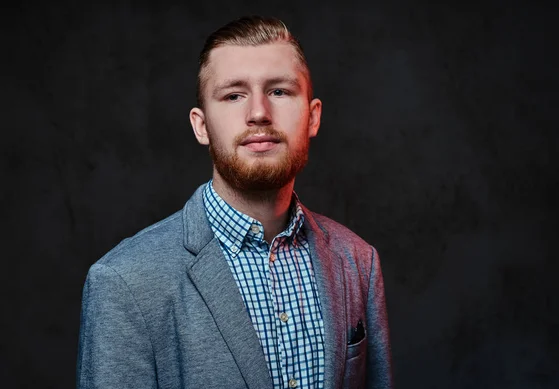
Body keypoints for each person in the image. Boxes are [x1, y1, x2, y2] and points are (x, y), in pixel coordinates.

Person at [76, 15, 393, 389]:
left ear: (312, 116)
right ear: (201, 126)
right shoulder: (123, 282)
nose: (258, 112)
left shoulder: (357, 261)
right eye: (233, 95)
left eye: (279, 91)